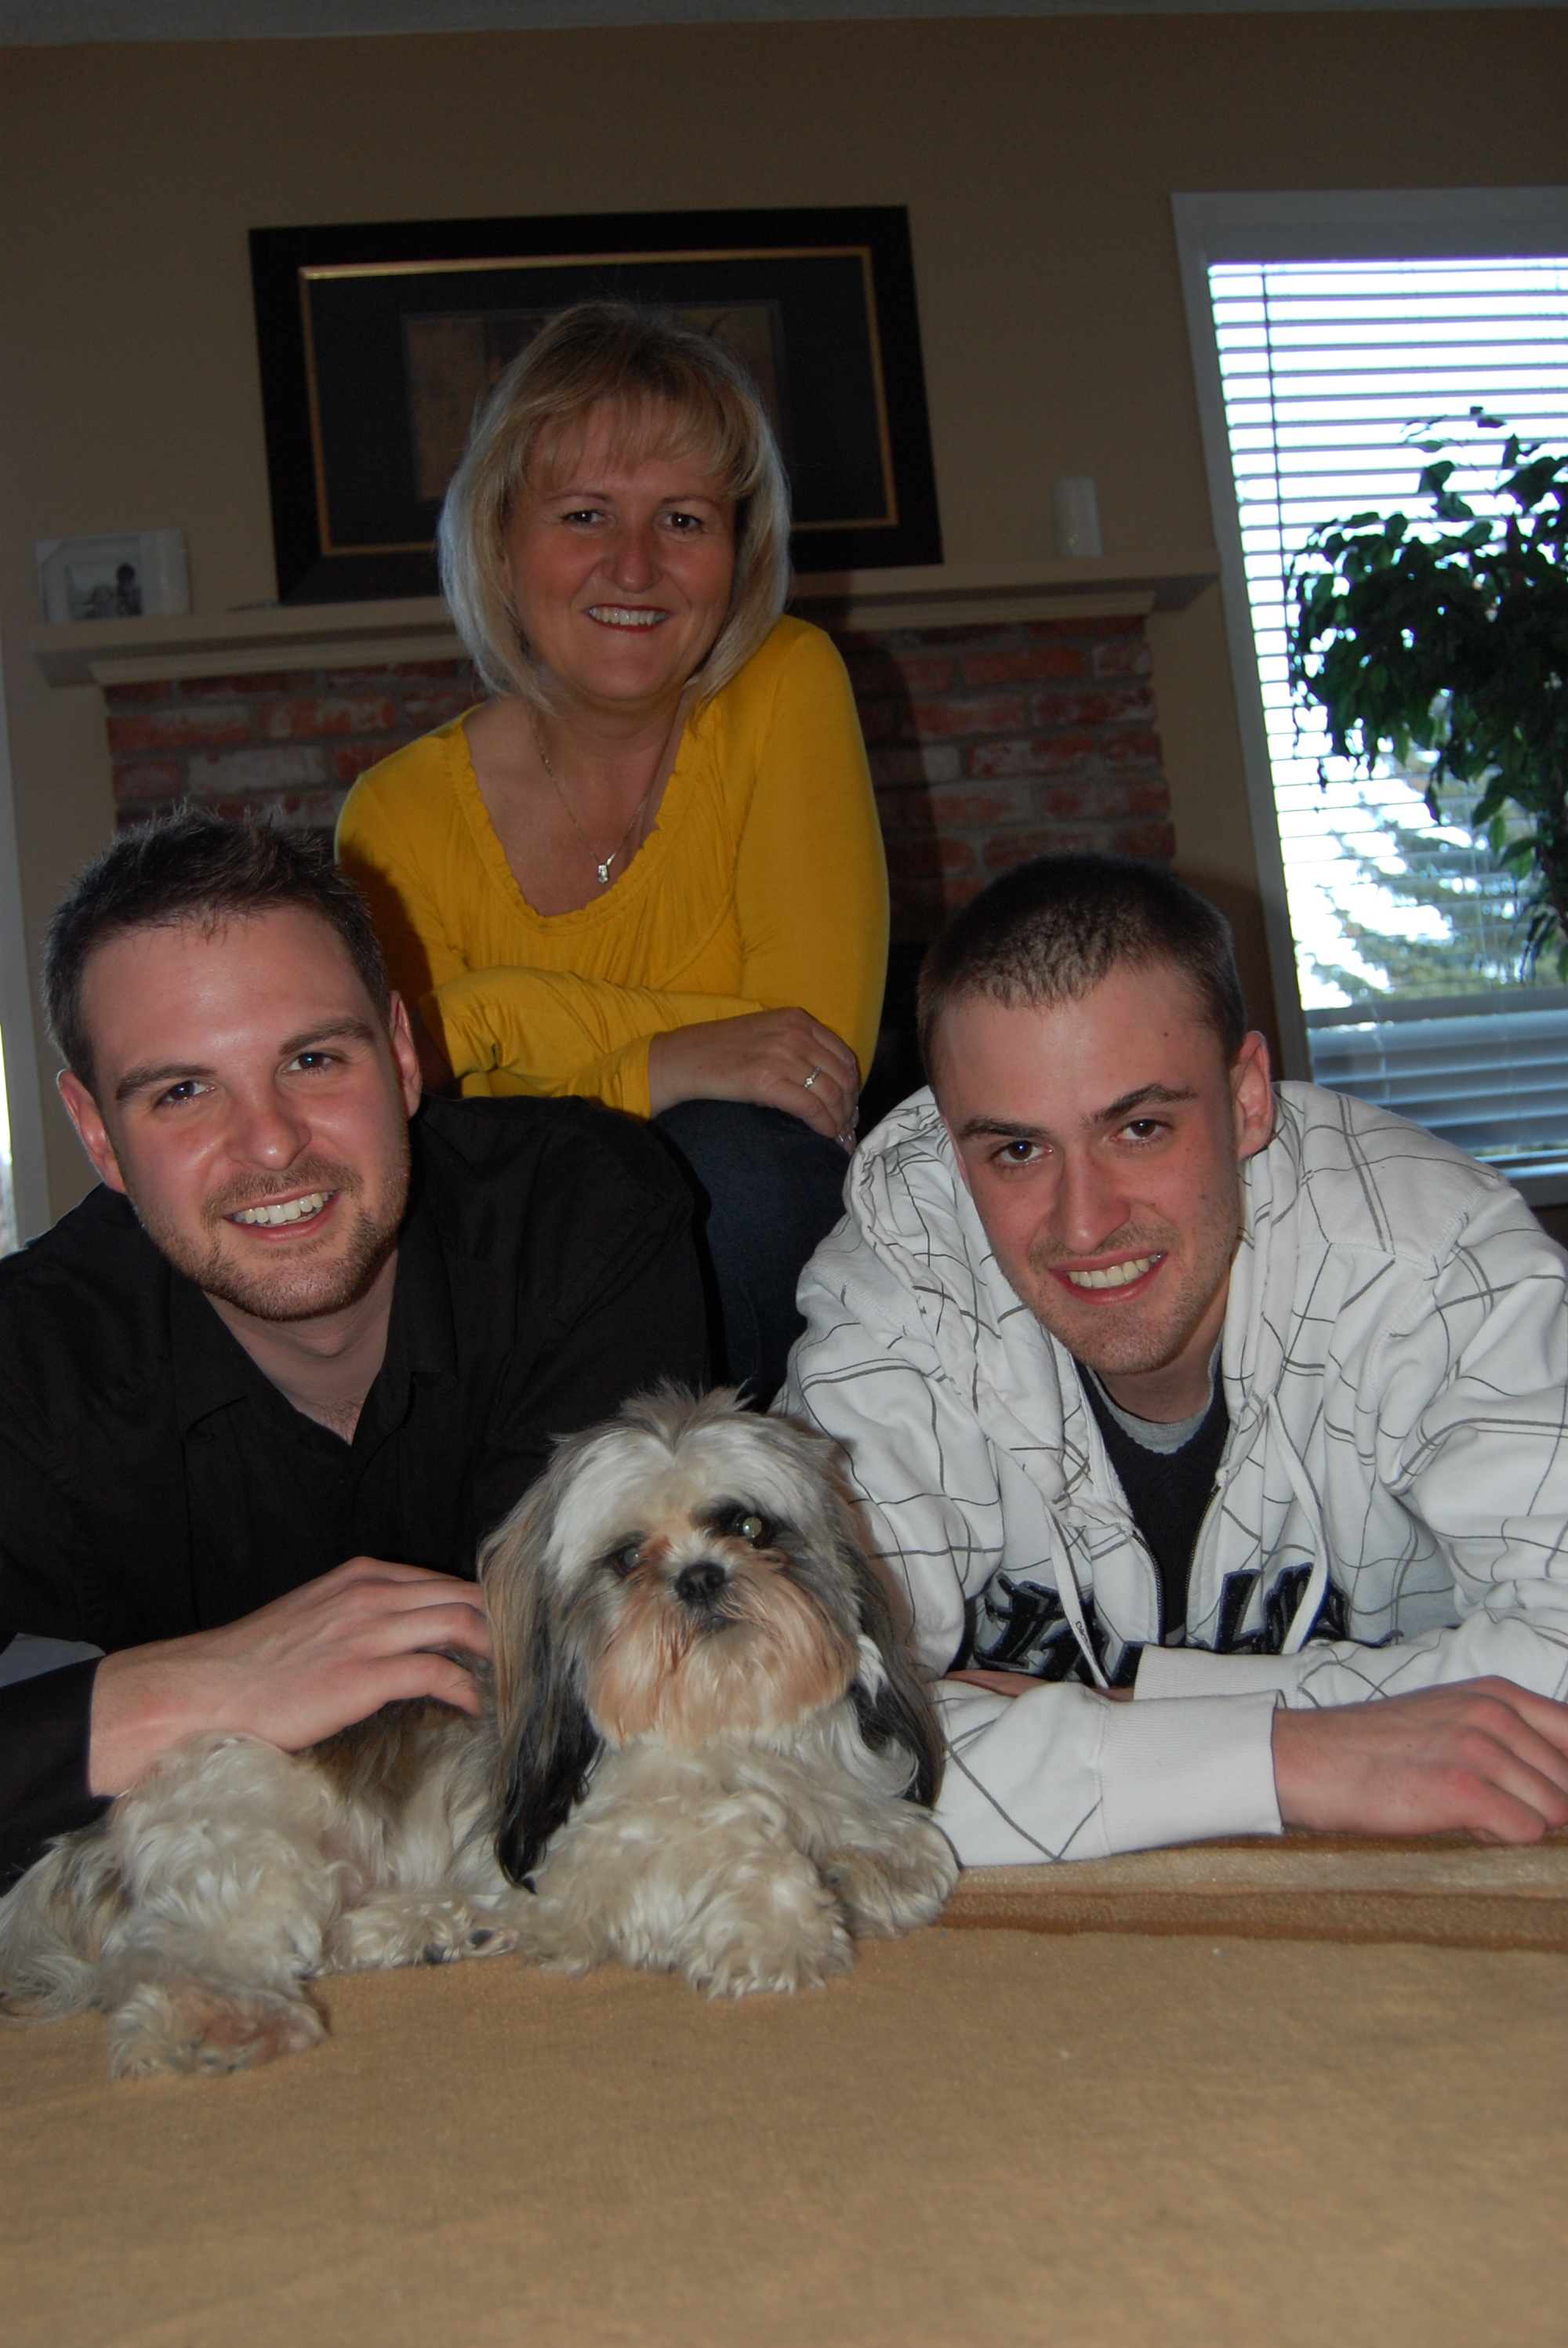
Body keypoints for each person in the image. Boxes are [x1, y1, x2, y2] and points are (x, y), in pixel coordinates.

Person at [785, 852, 1568, 1865]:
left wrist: (1139, 1706)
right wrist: (1295, 1757)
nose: (1085, 1223)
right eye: (1016, 1151)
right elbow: (791, 1735)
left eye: (1141, 1128)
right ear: (951, 1144)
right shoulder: (898, 1285)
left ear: (1247, 1097)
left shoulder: (1437, 1270)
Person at [0, 811, 708, 1886]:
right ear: (97, 1133)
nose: (271, 1143)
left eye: (313, 1058)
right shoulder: (31, 1364)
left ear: (403, 1056)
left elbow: (631, 1666)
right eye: (182, 1091)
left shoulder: (582, 1228)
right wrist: (208, 1688)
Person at [337, 301, 887, 1407]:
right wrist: (661, 1066)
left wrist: (489, 1022)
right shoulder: (393, 818)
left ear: (738, 555)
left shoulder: (787, 683)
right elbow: (423, 1141)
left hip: (759, 1264)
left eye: (684, 519)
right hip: (522, 1282)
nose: (635, 566)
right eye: (585, 514)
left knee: (732, 1166)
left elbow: (810, 1063)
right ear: (502, 545)